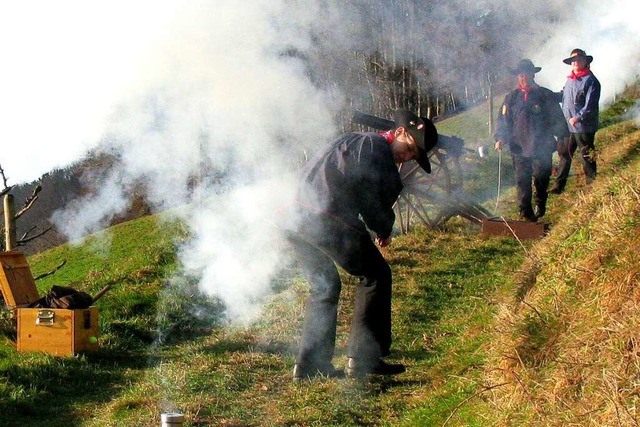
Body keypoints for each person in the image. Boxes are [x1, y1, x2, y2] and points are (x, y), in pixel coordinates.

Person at [285, 109, 438, 381]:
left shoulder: (354, 139)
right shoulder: (375, 148)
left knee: (325, 286)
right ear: (400, 132)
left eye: (412, 156)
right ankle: (364, 359)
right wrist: (383, 228)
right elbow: (372, 197)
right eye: (409, 149)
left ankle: (309, 367)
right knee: (376, 275)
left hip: (293, 217)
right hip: (326, 218)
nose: (407, 157)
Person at [494, 59, 569, 222]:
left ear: (532, 75)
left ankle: (540, 202)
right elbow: (503, 120)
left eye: (526, 74)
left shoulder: (545, 95)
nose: (523, 78)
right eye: (520, 75)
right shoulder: (511, 98)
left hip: (541, 146)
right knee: (522, 180)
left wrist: (563, 135)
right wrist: (500, 138)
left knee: (541, 177)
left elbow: (557, 118)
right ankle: (525, 212)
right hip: (518, 147)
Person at [550, 48, 601, 194]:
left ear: (585, 62)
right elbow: (563, 96)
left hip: (583, 126)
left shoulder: (591, 81)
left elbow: (590, 105)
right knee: (565, 155)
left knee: (586, 155)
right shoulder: (570, 80)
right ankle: (559, 186)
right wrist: (548, 96)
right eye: (573, 61)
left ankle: (592, 186)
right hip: (569, 126)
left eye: (578, 60)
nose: (575, 63)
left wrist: (578, 117)